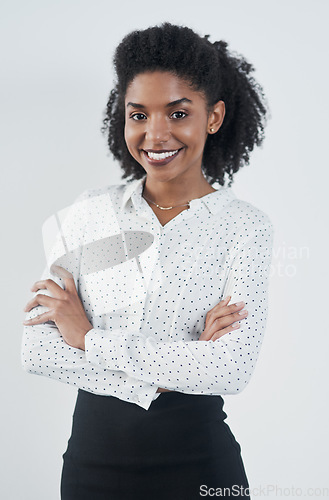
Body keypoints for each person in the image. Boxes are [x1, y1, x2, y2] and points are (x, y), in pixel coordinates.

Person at [22, 23, 274, 499]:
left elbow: (230, 369)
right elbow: (37, 350)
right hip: (90, 471)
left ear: (213, 117)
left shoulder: (245, 227)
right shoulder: (90, 213)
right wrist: (171, 371)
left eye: (178, 113)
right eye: (139, 114)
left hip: (202, 468)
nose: (155, 134)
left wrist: (88, 338)